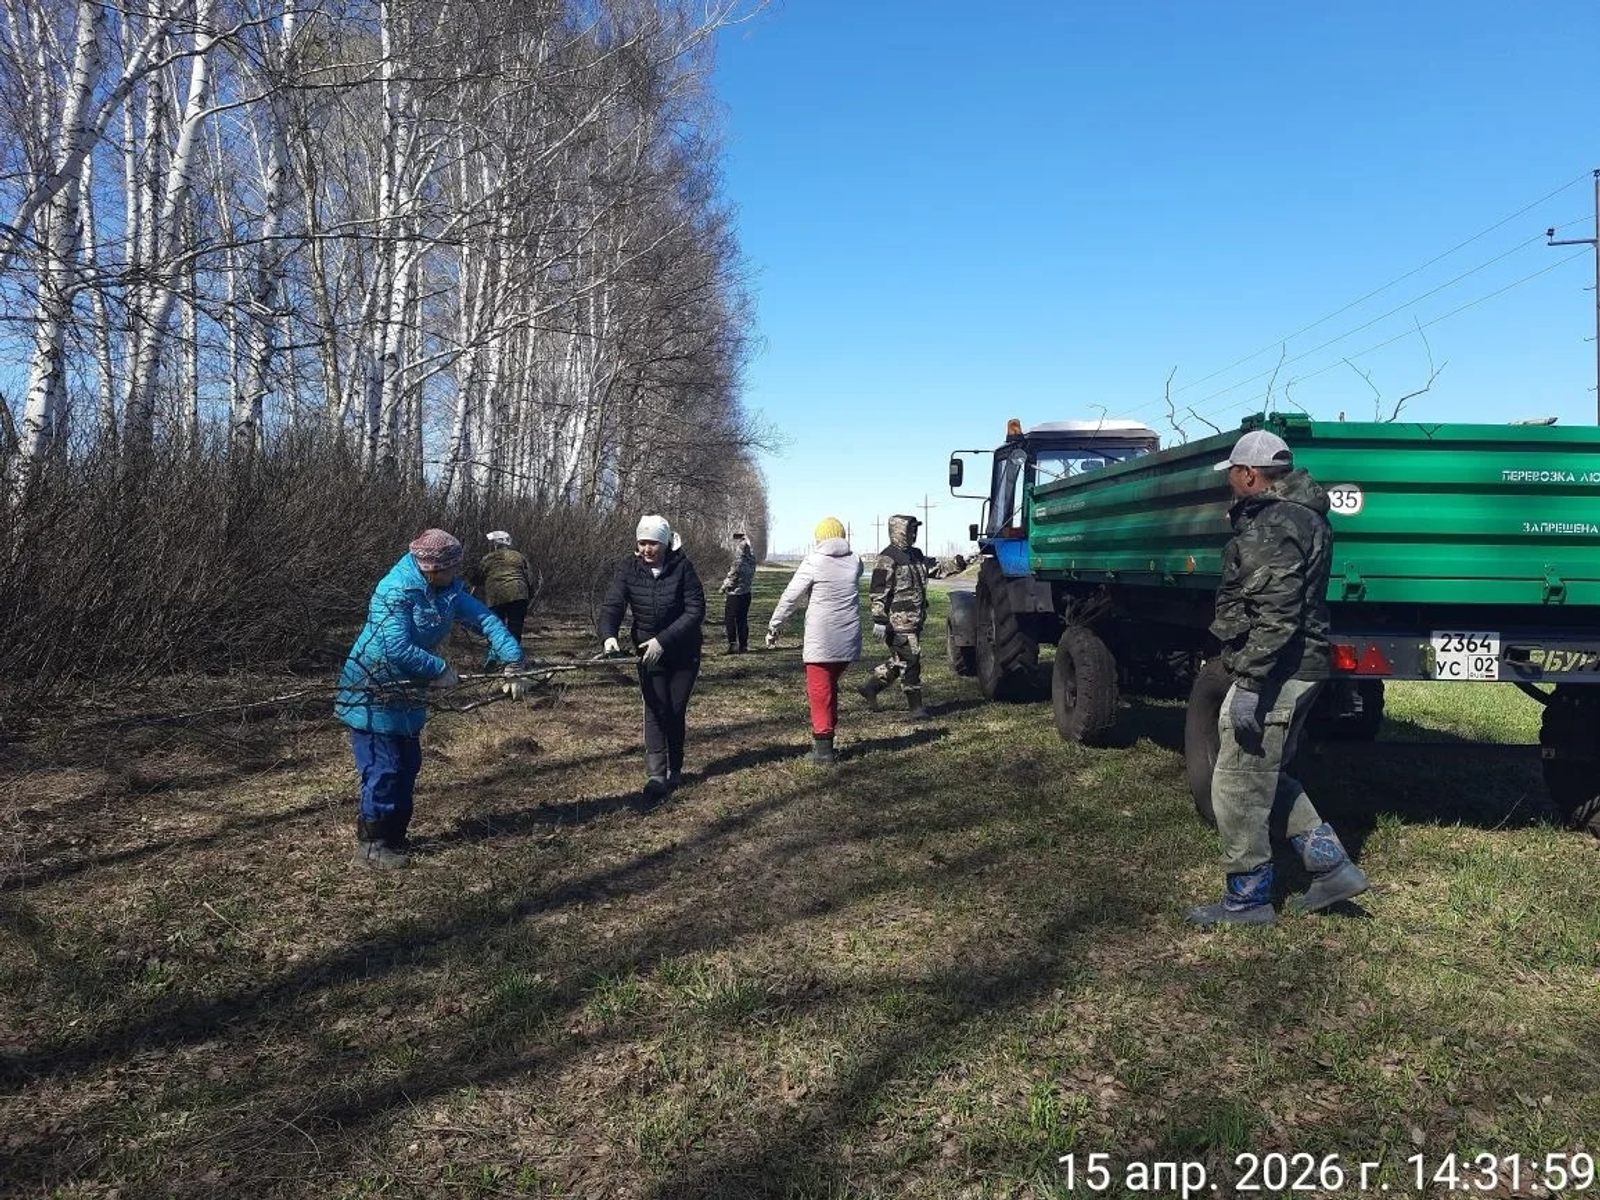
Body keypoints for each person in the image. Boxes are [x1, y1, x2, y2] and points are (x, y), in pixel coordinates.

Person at [1187, 429, 1372, 926]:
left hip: (1278, 669)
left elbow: (1277, 613)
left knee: (1237, 781)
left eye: (1232, 472)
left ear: (1249, 474)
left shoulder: (1276, 523)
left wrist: (1249, 684)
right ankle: (1331, 869)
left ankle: (1248, 899)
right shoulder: (1303, 515)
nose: (1229, 480)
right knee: (1266, 773)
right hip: (1300, 664)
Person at [335, 529, 526, 869]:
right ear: (433, 569)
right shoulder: (394, 590)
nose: (459, 574)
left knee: (408, 764)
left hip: (409, 689)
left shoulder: (448, 590)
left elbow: (485, 619)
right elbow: (396, 648)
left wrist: (512, 660)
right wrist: (439, 669)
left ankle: (394, 836)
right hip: (373, 686)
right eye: (453, 568)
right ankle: (371, 845)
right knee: (384, 768)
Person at [599, 514, 706, 798]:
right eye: (642, 543)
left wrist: (664, 640)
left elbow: (695, 611)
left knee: (674, 709)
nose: (646, 549)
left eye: (652, 543)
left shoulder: (682, 568)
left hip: (683, 650)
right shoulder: (628, 568)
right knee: (655, 708)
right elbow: (613, 604)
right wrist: (609, 636)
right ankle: (657, 775)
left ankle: (676, 769)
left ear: (665, 542)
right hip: (648, 653)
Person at [765, 516, 863, 765]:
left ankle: (824, 752)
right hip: (848, 638)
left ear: (819, 538)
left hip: (822, 638)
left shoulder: (814, 561)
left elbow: (790, 597)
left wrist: (775, 625)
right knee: (829, 688)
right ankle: (827, 739)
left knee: (820, 692)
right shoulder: (855, 560)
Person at [857, 514, 963, 720]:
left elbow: (936, 569)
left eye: (915, 530)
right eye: (910, 530)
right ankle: (916, 707)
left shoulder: (916, 554)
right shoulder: (886, 558)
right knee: (911, 659)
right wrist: (879, 619)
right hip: (897, 622)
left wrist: (959, 562)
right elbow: (878, 590)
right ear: (898, 531)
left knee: (901, 660)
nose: (913, 534)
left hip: (915, 619)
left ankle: (870, 688)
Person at [475, 530, 534, 645]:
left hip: (496, 596)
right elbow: (529, 576)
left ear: (495, 544)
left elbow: (477, 577)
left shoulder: (487, 558)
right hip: (519, 593)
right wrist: (530, 593)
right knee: (515, 627)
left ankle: (498, 654)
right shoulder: (519, 556)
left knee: (497, 627)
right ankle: (514, 657)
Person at [718, 531, 758, 653]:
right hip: (747, 593)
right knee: (743, 619)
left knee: (730, 619)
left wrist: (722, 588)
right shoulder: (752, 561)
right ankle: (744, 645)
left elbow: (732, 577)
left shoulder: (737, 562)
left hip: (734, 594)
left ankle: (733, 644)